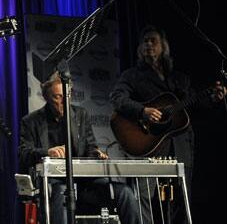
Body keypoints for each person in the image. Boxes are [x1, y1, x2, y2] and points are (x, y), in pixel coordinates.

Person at [110, 25, 226, 224]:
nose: (148, 45)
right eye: (144, 41)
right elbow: (117, 98)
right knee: (144, 197)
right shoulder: (132, 76)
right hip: (148, 146)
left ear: (163, 47)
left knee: (181, 199)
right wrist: (142, 111)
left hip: (180, 147)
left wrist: (213, 99)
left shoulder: (180, 80)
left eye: (153, 41)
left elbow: (193, 110)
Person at [19, 71, 140, 224]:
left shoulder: (81, 115)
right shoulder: (31, 121)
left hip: (85, 184)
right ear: (46, 97)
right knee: (60, 191)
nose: (64, 102)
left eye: (67, 95)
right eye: (58, 97)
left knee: (125, 194)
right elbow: (24, 153)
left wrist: (96, 154)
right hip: (54, 183)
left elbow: (90, 147)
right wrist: (47, 153)